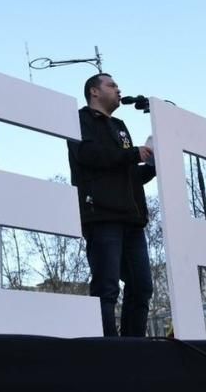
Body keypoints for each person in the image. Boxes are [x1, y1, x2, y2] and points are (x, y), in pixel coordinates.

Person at [67, 72, 155, 337]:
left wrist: (151, 168)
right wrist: (133, 154)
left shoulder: (120, 125)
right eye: (112, 85)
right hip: (102, 215)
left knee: (141, 286)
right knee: (107, 287)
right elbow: (89, 154)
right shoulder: (79, 120)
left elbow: (127, 172)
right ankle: (109, 348)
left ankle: (133, 346)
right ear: (94, 91)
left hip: (131, 218)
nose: (119, 90)